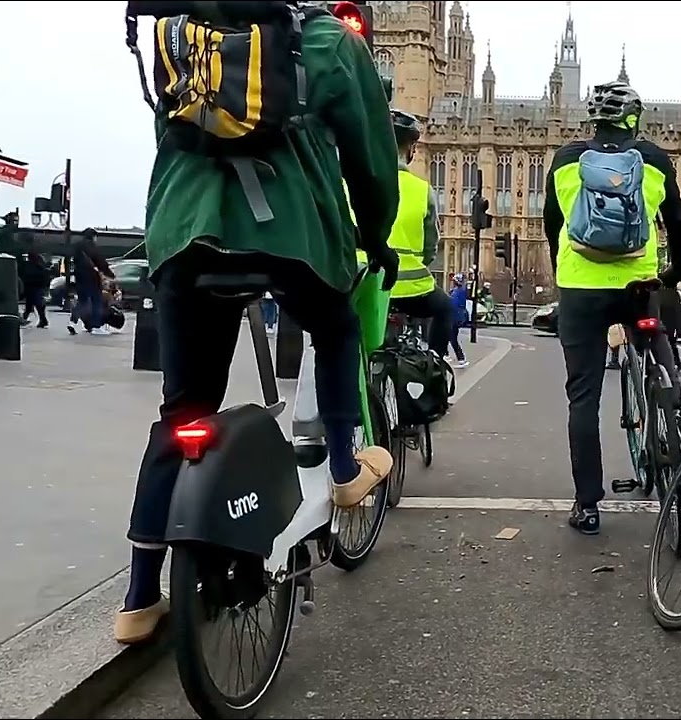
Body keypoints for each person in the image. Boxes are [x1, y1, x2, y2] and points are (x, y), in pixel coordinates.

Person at [114, 2, 400, 645]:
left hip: (186, 234)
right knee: (336, 329)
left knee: (183, 409)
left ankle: (137, 596)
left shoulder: (175, 31)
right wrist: (375, 235)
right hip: (292, 233)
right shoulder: (325, 39)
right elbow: (372, 158)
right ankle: (346, 470)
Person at [543, 80, 681, 536]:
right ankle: (674, 400)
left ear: (594, 120)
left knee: (583, 398)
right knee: (654, 332)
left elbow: (553, 224)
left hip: (581, 288)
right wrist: (675, 271)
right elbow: (680, 225)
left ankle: (588, 506)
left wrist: (563, 269)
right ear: (635, 120)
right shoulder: (653, 159)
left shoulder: (567, 160)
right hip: (638, 282)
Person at [374, 109, 453, 360]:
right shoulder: (421, 190)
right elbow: (432, 245)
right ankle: (436, 368)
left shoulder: (348, 180)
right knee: (445, 310)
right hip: (409, 289)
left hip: (360, 284)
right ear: (411, 149)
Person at [67, 230, 115, 336]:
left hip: (80, 279)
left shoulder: (76, 247)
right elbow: (100, 262)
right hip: (92, 279)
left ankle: (72, 322)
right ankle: (96, 326)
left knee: (82, 302)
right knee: (96, 302)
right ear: (93, 237)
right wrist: (110, 274)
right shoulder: (92, 247)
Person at [20, 250, 50, 328]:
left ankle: (25, 319)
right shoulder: (39, 265)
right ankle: (42, 320)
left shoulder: (29, 266)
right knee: (36, 305)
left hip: (31, 288)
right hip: (37, 287)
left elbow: (26, 276)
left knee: (32, 305)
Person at [448, 273, 470, 367]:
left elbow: (453, 304)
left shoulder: (457, 292)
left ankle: (461, 359)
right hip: (457, 317)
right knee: (451, 337)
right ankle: (458, 357)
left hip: (455, 317)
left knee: (452, 338)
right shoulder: (460, 291)